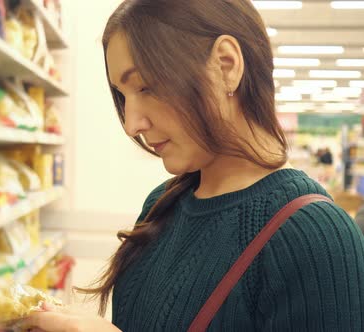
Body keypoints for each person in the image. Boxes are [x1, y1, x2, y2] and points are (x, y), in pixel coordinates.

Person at [25, 0, 364, 331]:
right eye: (123, 95)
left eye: (145, 86)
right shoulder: (161, 204)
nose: (132, 124)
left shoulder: (315, 237)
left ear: (226, 66)